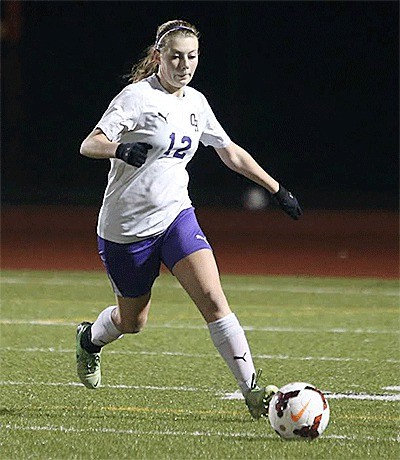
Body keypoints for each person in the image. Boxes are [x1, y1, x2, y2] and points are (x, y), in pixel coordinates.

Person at [76, 19, 302, 420]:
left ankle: (251, 390)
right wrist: (118, 150)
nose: (184, 64)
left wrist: (276, 188)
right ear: (159, 56)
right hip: (126, 229)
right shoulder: (136, 97)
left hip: (176, 217)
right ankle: (90, 340)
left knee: (214, 300)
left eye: (192, 56)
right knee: (132, 322)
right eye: (176, 56)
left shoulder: (195, 102)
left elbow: (228, 150)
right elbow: (89, 143)